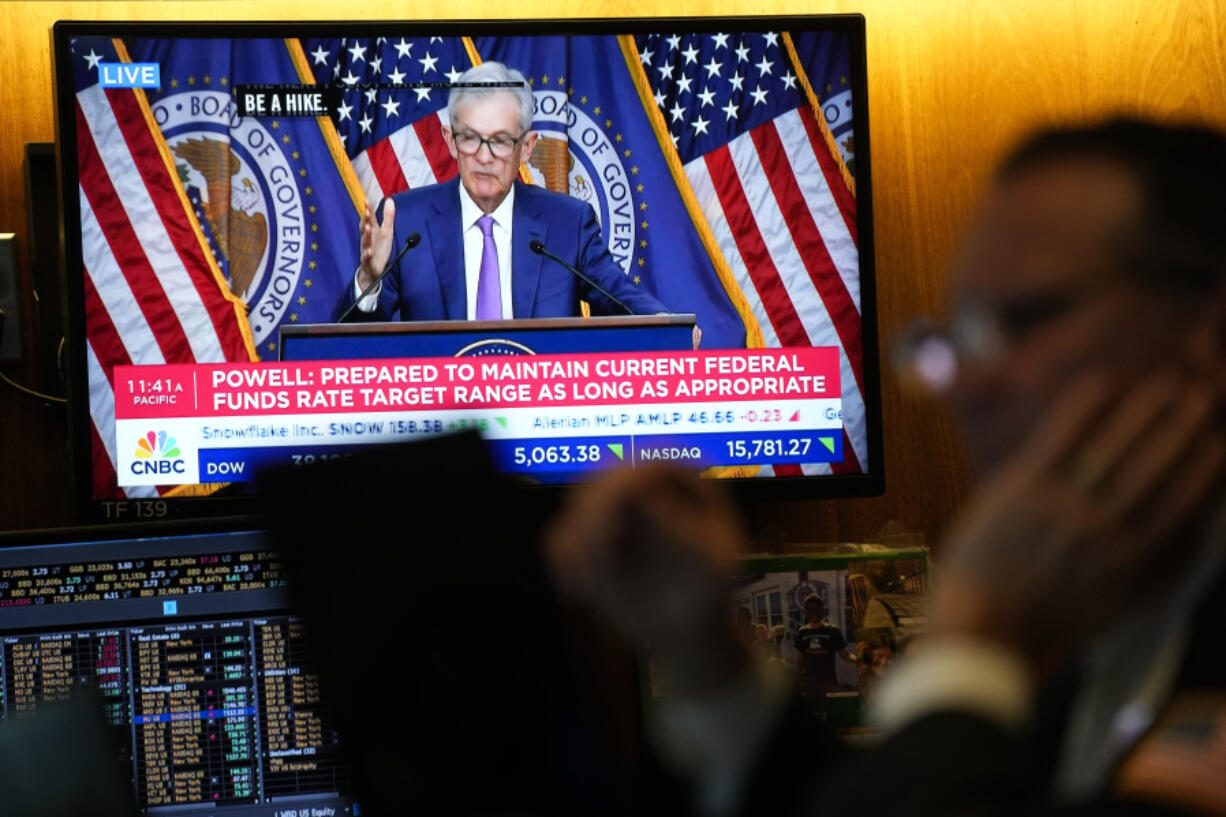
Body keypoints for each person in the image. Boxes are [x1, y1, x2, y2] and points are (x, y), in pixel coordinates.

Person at [546, 118, 1226, 817]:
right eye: (959, 335)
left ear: (1211, 331)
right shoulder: (1125, 633)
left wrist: (972, 626)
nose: (966, 386)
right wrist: (704, 658)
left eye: (1019, 323)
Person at [334, 61, 671, 323]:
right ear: (450, 140)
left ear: (527, 147)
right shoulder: (406, 224)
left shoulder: (568, 223)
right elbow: (347, 349)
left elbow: (619, 296)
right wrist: (368, 281)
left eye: (499, 141)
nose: (483, 156)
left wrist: (667, 326)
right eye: (470, 138)